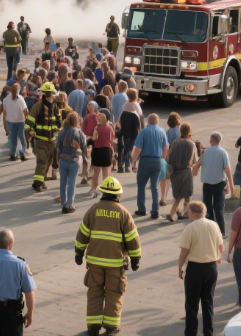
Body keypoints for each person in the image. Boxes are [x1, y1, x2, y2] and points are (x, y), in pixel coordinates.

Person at [75, 177, 141, 336]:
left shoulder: (93, 210)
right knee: (114, 292)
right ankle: (111, 328)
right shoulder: (123, 213)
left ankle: (93, 327)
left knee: (94, 291)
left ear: (102, 192)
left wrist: (79, 252)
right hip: (115, 263)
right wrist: (136, 258)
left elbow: (83, 233)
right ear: (118, 195)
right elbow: (132, 238)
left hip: (95, 262)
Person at [178, 201, 223, 336]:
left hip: (195, 268)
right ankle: (208, 332)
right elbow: (221, 246)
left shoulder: (191, 228)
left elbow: (184, 252)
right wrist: (218, 257)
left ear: (193, 213)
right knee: (208, 301)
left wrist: (180, 267)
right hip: (211, 267)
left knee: (192, 303)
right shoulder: (214, 225)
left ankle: (191, 332)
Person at [130, 113, 168, 219]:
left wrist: (134, 162)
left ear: (149, 121)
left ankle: (142, 209)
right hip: (157, 161)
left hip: (145, 160)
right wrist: (163, 158)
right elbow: (166, 146)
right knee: (154, 186)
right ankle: (155, 211)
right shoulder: (162, 131)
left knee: (141, 185)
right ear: (157, 121)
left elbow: (138, 148)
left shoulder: (144, 132)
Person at [26, 82, 60, 192]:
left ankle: (42, 180)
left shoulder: (55, 107)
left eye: (52, 95)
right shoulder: (38, 107)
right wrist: (31, 134)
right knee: (42, 161)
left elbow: (59, 123)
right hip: (40, 140)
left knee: (48, 162)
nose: (52, 97)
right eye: (50, 95)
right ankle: (37, 184)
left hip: (52, 141)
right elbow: (29, 123)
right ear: (46, 95)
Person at [200, 132, 234, 236]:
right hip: (219, 183)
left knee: (207, 208)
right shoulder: (223, 152)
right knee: (218, 208)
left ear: (211, 140)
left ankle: (210, 232)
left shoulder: (205, 152)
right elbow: (227, 170)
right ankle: (221, 232)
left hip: (207, 183)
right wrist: (231, 186)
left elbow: (198, 164)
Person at [167, 123, 199, 222]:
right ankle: (185, 213)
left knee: (177, 195)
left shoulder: (175, 142)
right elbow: (194, 160)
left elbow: (168, 157)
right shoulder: (191, 144)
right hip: (186, 171)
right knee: (188, 195)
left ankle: (177, 213)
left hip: (174, 172)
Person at [56, 112, 86, 213]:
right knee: (71, 182)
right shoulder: (79, 133)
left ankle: (64, 203)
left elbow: (58, 147)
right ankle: (70, 204)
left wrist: (57, 159)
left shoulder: (62, 132)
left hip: (63, 159)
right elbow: (84, 147)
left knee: (63, 182)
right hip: (75, 160)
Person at [0, 83, 29, 162]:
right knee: (22, 139)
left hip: (10, 122)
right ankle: (22, 153)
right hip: (20, 122)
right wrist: (27, 120)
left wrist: (5, 125)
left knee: (13, 139)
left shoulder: (6, 99)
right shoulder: (20, 99)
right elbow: (25, 111)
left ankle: (13, 154)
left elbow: (4, 113)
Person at [88, 113, 116, 198]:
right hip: (106, 150)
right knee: (106, 172)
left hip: (97, 150)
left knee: (96, 172)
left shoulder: (97, 128)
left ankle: (94, 189)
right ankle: (106, 190)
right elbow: (112, 140)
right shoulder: (109, 128)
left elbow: (94, 138)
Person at [117, 94, 141, 174]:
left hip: (124, 131)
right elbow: (140, 116)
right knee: (130, 148)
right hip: (133, 133)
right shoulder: (135, 109)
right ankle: (126, 164)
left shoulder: (124, 110)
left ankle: (121, 165)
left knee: (125, 147)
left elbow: (118, 121)